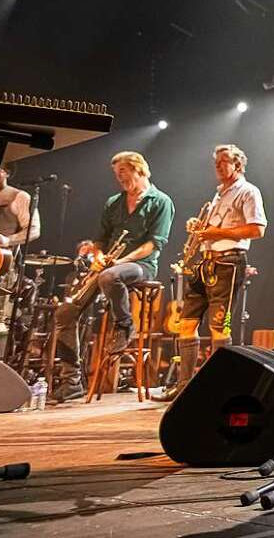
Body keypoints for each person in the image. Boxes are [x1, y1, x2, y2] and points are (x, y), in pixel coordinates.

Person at [50, 152, 174, 403]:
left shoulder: (160, 201)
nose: (119, 180)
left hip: (141, 266)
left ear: (139, 169)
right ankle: (72, 380)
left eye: (123, 173)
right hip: (109, 267)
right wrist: (99, 255)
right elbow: (100, 240)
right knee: (64, 312)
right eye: (117, 175)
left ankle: (125, 324)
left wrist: (120, 261)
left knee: (109, 277)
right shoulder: (114, 203)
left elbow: (153, 245)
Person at [154, 144, 266, 402]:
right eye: (215, 162)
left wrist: (217, 233)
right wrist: (200, 226)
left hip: (228, 263)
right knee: (186, 323)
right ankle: (184, 387)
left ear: (237, 165)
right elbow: (214, 228)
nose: (217, 166)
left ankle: (219, 390)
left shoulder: (248, 191)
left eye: (222, 162)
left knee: (220, 325)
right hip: (205, 263)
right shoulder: (219, 194)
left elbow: (257, 229)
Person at [0, 164, 41, 359]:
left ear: (5, 171)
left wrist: (9, 240)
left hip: (0, 265)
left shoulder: (18, 196)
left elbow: (34, 229)